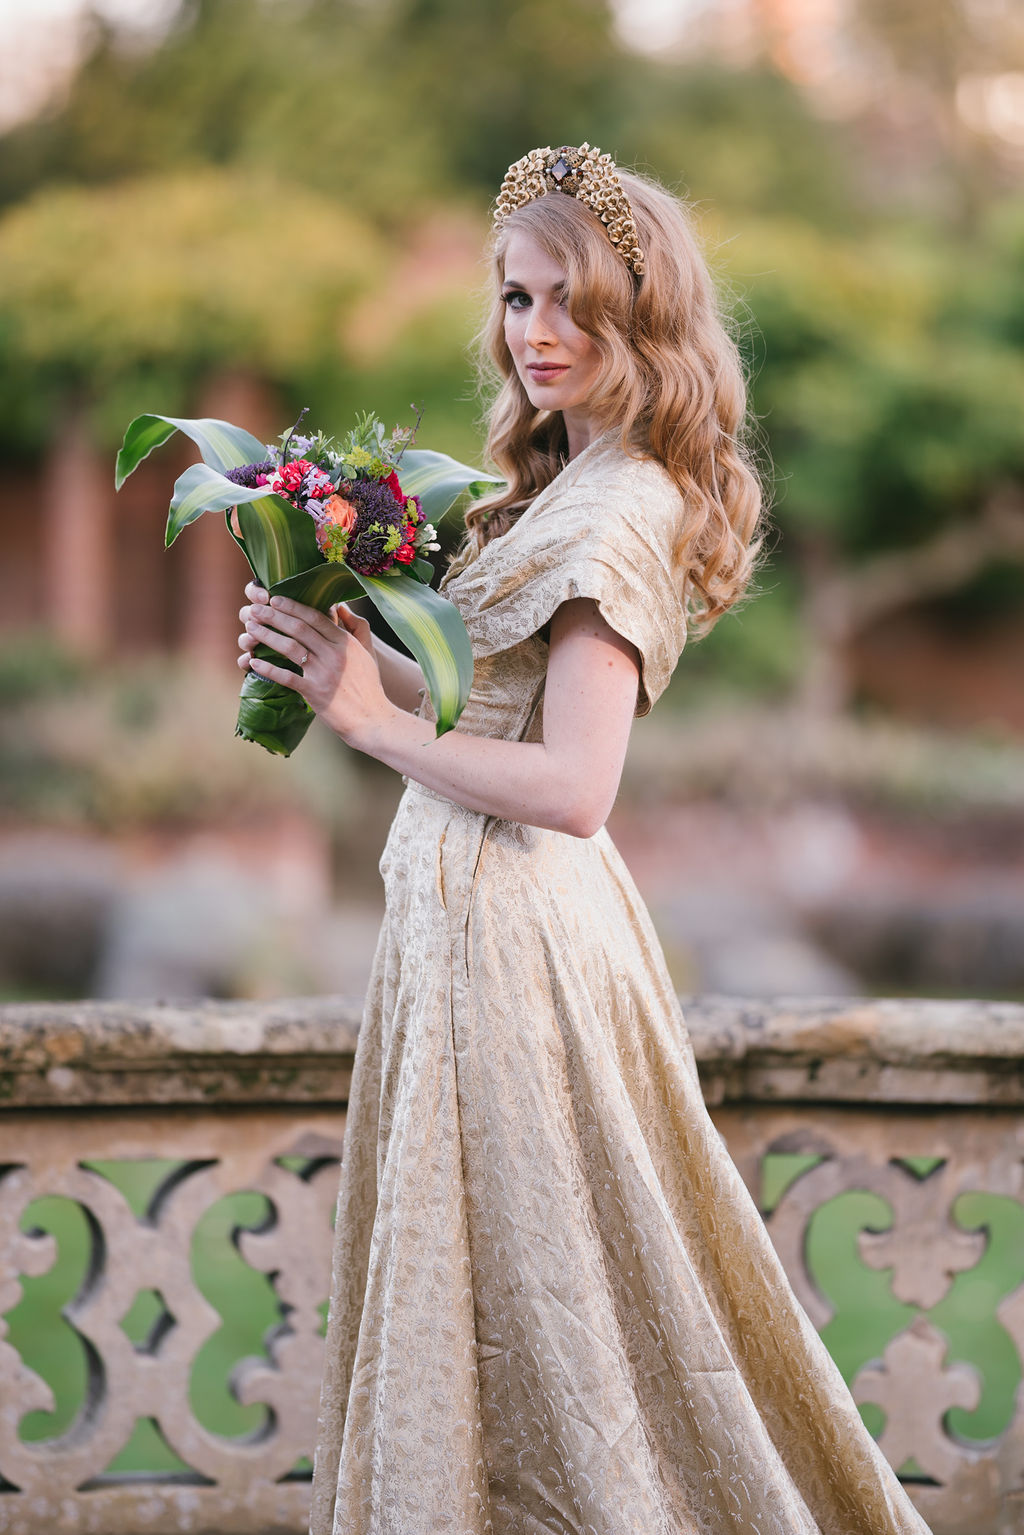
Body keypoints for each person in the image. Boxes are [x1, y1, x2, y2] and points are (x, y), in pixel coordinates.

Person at [239, 145, 930, 1535]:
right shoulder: (568, 480)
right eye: (515, 299)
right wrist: (336, 638)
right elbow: (490, 702)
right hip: (466, 929)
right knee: (496, 1315)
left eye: (573, 305)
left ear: (639, 319)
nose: (536, 335)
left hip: (518, 945)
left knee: (555, 1325)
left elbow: (573, 783)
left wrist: (370, 721)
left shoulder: (617, 510)